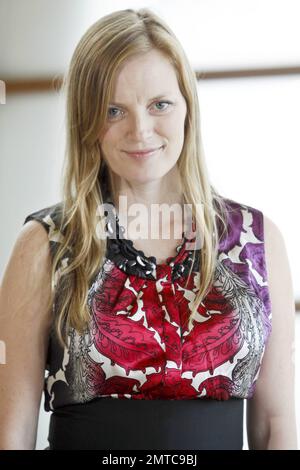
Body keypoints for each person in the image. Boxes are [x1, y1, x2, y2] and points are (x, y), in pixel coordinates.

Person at [0, 8, 297, 451]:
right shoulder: (45, 245)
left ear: (187, 109)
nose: (140, 130)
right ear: (86, 122)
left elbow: (277, 427)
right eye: (114, 110)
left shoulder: (257, 240)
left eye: (160, 104)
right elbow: (11, 433)